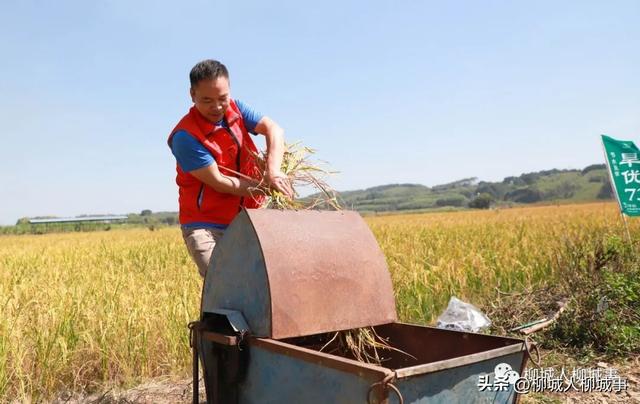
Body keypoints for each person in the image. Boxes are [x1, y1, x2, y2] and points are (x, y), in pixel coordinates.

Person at [168, 59, 293, 278]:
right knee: (223, 282)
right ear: (192, 95)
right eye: (207, 100)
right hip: (205, 225)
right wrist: (264, 188)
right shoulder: (185, 137)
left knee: (264, 282)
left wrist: (272, 171)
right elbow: (220, 182)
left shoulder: (237, 109)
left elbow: (274, 130)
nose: (217, 107)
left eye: (222, 98)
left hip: (249, 218)